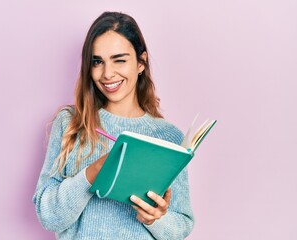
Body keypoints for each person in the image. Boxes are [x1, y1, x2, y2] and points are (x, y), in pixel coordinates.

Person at [33, 11, 194, 240]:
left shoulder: (168, 137)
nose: (108, 74)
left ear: (141, 63)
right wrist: (92, 173)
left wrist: (156, 218)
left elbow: (181, 226)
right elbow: (47, 215)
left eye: (119, 60)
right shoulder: (70, 124)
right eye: (97, 61)